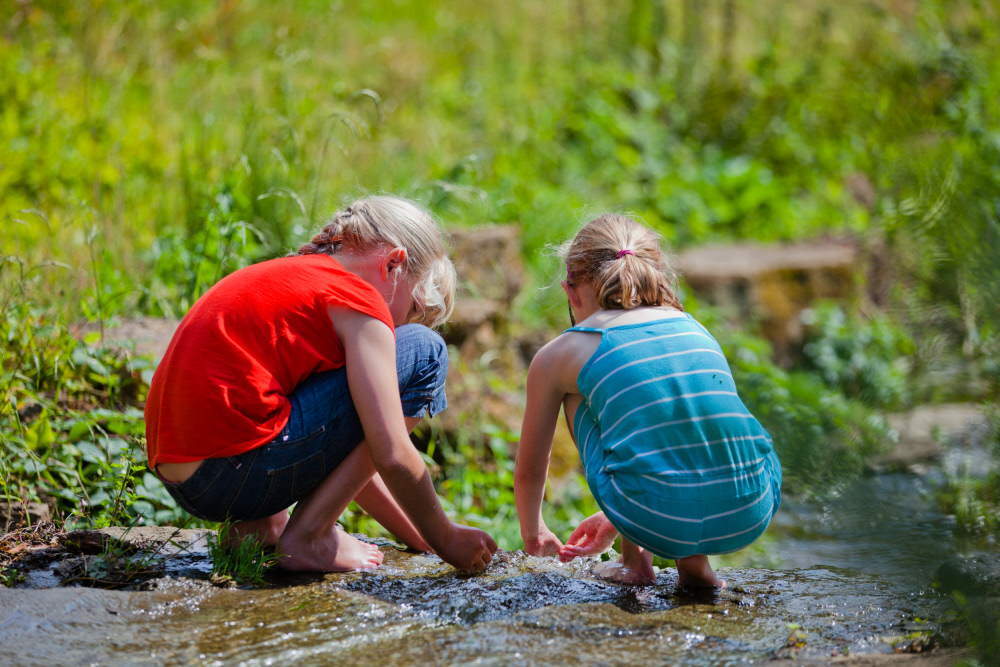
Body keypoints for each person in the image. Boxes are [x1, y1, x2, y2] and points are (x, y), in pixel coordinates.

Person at [146, 195, 497, 573]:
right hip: (236, 470)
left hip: (190, 481)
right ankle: (310, 536)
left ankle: (258, 527)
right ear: (393, 264)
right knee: (426, 351)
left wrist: (423, 539)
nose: (400, 328)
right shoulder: (360, 299)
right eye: (412, 311)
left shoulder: (296, 278)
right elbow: (390, 453)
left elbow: (342, 455)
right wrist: (445, 537)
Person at [514, 214, 781, 587]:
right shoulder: (692, 326)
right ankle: (694, 565)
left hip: (657, 513)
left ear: (570, 292)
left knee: (578, 393)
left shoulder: (561, 354)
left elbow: (528, 470)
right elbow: (688, 437)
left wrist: (535, 533)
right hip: (753, 502)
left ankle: (635, 563)